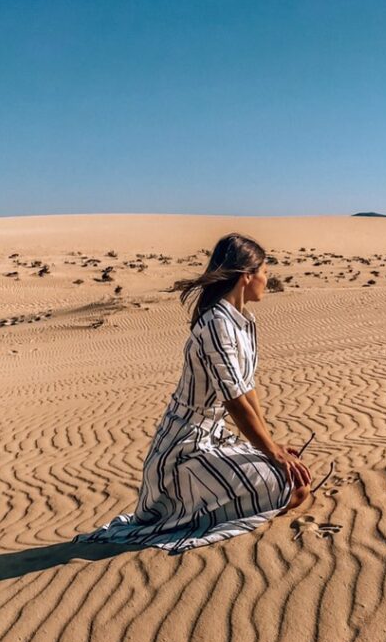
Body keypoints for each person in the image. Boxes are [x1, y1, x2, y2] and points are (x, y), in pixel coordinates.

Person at [74, 232, 312, 554]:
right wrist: (270, 452)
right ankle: (186, 515)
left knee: (294, 475)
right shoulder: (216, 324)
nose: (267, 281)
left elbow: (248, 389)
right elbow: (234, 400)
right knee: (294, 490)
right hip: (185, 451)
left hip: (214, 439)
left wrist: (274, 446)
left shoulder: (242, 322)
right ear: (246, 277)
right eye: (265, 273)